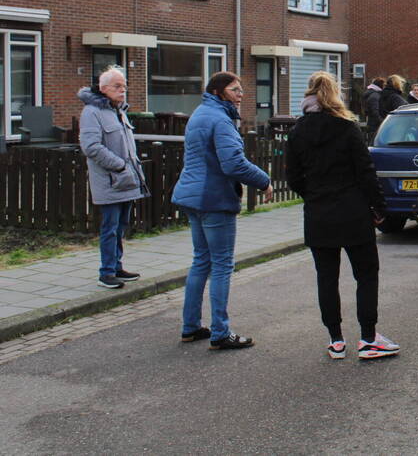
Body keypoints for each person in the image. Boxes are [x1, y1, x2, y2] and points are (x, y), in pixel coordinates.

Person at [285, 71, 399, 360]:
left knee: (327, 277)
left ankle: (336, 340)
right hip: (353, 212)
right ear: (335, 93)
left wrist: (312, 196)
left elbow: (293, 177)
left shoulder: (297, 131)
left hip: (319, 214)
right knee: (366, 274)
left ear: (309, 95)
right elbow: (365, 172)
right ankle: (369, 338)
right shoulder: (347, 128)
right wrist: (379, 208)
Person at [172, 72, 273, 350]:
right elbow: (233, 164)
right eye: (234, 90)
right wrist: (264, 180)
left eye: (241, 90)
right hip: (214, 199)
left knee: (201, 261)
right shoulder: (221, 120)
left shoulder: (200, 114)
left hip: (192, 197)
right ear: (218, 92)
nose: (240, 95)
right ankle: (220, 332)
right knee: (221, 265)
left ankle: (190, 327)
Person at [78, 67, 149, 289]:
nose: (123, 91)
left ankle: (117, 266)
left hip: (126, 179)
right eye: (118, 86)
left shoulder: (118, 111)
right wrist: (119, 166)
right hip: (110, 180)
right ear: (103, 88)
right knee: (110, 227)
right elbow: (91, 147)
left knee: (121, 226)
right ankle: (106, 272)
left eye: (124, 86)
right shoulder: (92, 112)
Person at [362, 77, 385, 142]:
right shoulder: (375, 96)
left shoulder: (371, 93)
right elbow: (375, 112)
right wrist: (383, 122)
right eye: (384, 85)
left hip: (372, 124)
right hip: (375, 126)